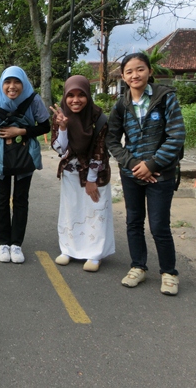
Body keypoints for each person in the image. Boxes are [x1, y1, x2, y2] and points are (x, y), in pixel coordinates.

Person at [106, 52, 186, 295]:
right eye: (129, 71)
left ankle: (169, 273)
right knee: (133, 222)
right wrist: (132, 164)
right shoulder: (121, 104)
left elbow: (176, 135)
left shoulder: (165, 97)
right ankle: (138, 267)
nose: (135, 75)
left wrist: (152, 164)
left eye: (140, 69)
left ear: (149, 71)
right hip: (131, 174)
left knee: (159, 225)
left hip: (161, 174)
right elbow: (112, 139)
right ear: (123, 76)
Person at [0, 66, 50, 263]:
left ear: (23, 83)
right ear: (2, 84)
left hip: (25, 155)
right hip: (1, 157)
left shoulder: (33, 100)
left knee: (21, 199)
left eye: (17, 82)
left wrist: (20, 131)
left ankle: (16, 244)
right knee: (1, 198)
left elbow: (45, 126)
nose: (12, 86)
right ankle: (2, 243)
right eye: (8, 82)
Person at [50, 75, 115, 272]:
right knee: (72, 211)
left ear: (88, 95)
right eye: (70, 95)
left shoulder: (99, 118)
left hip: (95, 173)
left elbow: (100, 150)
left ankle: (94, 253)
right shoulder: (61, 115)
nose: (75, 100)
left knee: (95, 211)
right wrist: (62, 127)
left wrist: (91, 180)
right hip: (70, 173)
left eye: (81, 95)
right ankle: (69, 249)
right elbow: (60, 149)